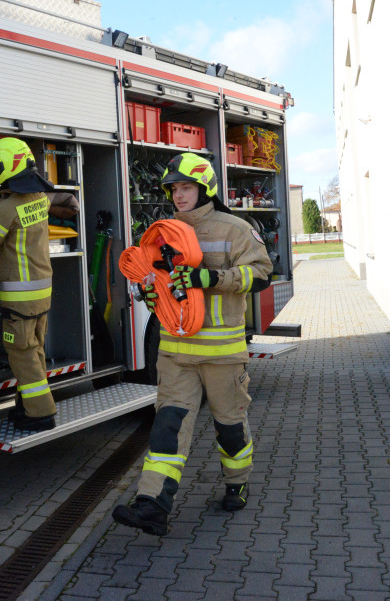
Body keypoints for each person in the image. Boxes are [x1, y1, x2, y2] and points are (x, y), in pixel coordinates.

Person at [113, 152, 273, 535]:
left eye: (186, 187)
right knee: (167, 427)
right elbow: (160, 289)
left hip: (221, 355)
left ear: (204, 188)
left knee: (229, 426)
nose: (178, 195)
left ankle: (237, 482)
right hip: (175, 351)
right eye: (173, 189)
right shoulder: (162, 232)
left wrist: (210, 278)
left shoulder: (235, 229)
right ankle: (152, 504)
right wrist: (152, 292)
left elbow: (262, 274)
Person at [0, 137, 58, 432]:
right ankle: (27, 405)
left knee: (22, 354)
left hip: (19, 296)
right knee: (35, 350)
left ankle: (40, 414)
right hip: (42, 293)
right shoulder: (39, 199)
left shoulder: (5, 208)